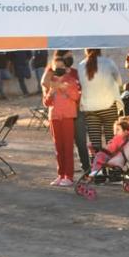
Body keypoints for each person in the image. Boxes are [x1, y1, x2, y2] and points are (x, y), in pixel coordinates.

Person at [41, 51, 81, 185]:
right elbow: (46, 103)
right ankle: (61, 174)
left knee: (68, 147)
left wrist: (65, 89)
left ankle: (69, 176)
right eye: (56, 67)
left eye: (61, 66)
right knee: (58, 148)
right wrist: (51, 92)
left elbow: (76, 97)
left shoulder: (71, 80)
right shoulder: (50, 82)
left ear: (65, 67)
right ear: (52, 68)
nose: (59, 69)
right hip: (54, 117)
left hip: (67, 117)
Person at [77, 48, 123, 155]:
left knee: (95, 145)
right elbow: (119, 82)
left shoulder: (81, 65)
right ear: (99, 50)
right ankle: (112, 164)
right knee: (111, 142)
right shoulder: (109, 63)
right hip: (109, 106)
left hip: (90, 108)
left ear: (86, 51)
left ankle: (96, 164)